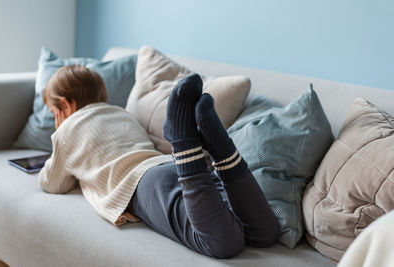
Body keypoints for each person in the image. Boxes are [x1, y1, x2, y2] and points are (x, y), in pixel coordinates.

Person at [40, 64, 281, 258]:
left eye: (53, 113)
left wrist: (58, 136)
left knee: (223, 243)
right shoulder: (121, 113)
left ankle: (183, 139)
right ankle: (221, 149)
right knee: (263, 232)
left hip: (143, 185)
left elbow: (53, 183)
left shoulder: (66, 130)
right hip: (175, 167)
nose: (55, 120)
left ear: (65, 104)